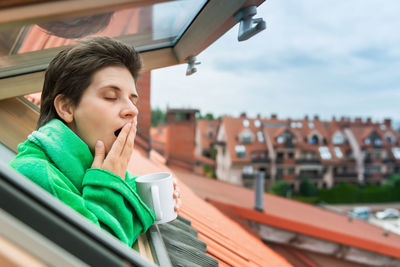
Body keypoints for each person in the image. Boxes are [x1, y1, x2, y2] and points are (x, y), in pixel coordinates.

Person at [9, 36, 181, 247]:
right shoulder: (35, 176)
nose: (132, 110)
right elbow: (101, 254)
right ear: (66, 108)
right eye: (110, 96)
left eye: (133, 100)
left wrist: (144, 195)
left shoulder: (81, 170)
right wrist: (110, 186)